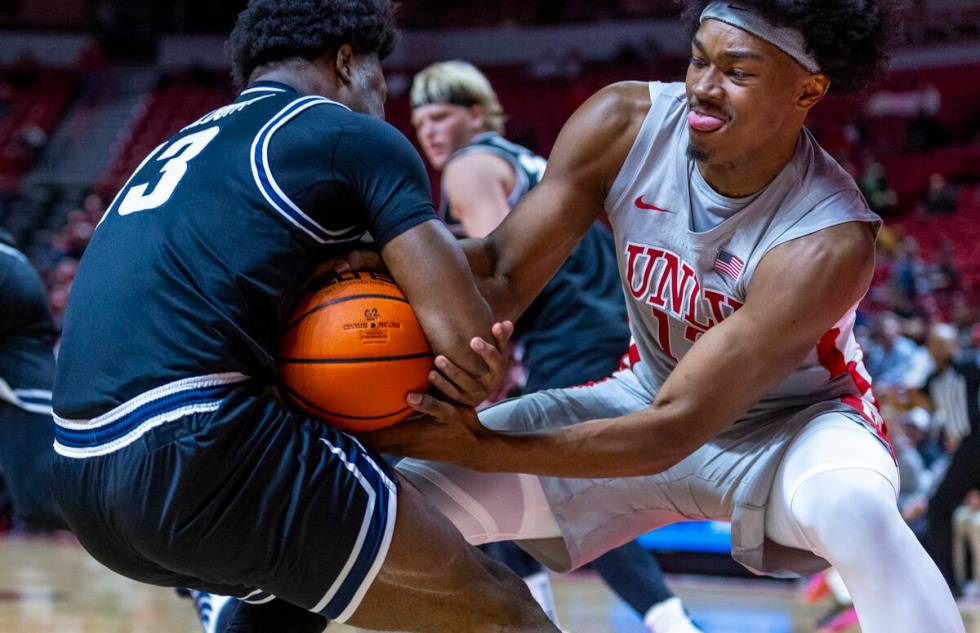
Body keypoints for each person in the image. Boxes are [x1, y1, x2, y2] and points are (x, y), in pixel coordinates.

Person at [348, 2, 966, 632]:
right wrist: (358, 260)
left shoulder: (828, 237)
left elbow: (673, 431)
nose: (703, 84)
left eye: (737, 72)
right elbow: (500, 275)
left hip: (793, 431)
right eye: (699, 59)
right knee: (370, 507)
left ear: (808, 89)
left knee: (855, 507)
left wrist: (484, 445)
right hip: (644, 394)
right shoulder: (623, 122)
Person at [49, 2, 557, 632]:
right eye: (380, 74)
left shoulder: (174, 146)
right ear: (348, 60)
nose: (383, 95)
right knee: (505, 614)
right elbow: (468, 344)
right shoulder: (350, 137)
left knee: (292, 606)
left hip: (80, 479)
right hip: (198, 452)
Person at [410, 59, 701, 633]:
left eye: (442, 117)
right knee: (521, 490)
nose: (431, 134)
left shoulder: (470, 169)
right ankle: (550, 615)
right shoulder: (528, 162)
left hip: (574, 337)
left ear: (476, 114)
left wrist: (478, 368)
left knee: (547, 488)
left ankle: (669, 622)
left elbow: (504, 283)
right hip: (619, 327)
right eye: (421, 123)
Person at [0, 228, 63, 532]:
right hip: (23, 396)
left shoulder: (7, 265)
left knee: (44, 513)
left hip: (27, 403)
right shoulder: (14, 261)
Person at [922, 323, 980, 595]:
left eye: (943, 343)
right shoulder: (933, 379)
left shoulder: (969, 366)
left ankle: (950, 583)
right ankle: (950, 582)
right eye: (934, 344)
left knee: (938, 506)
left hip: (974, 445)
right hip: (962, 453)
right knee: (938, 508)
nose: (938, 349)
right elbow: (917, 397)